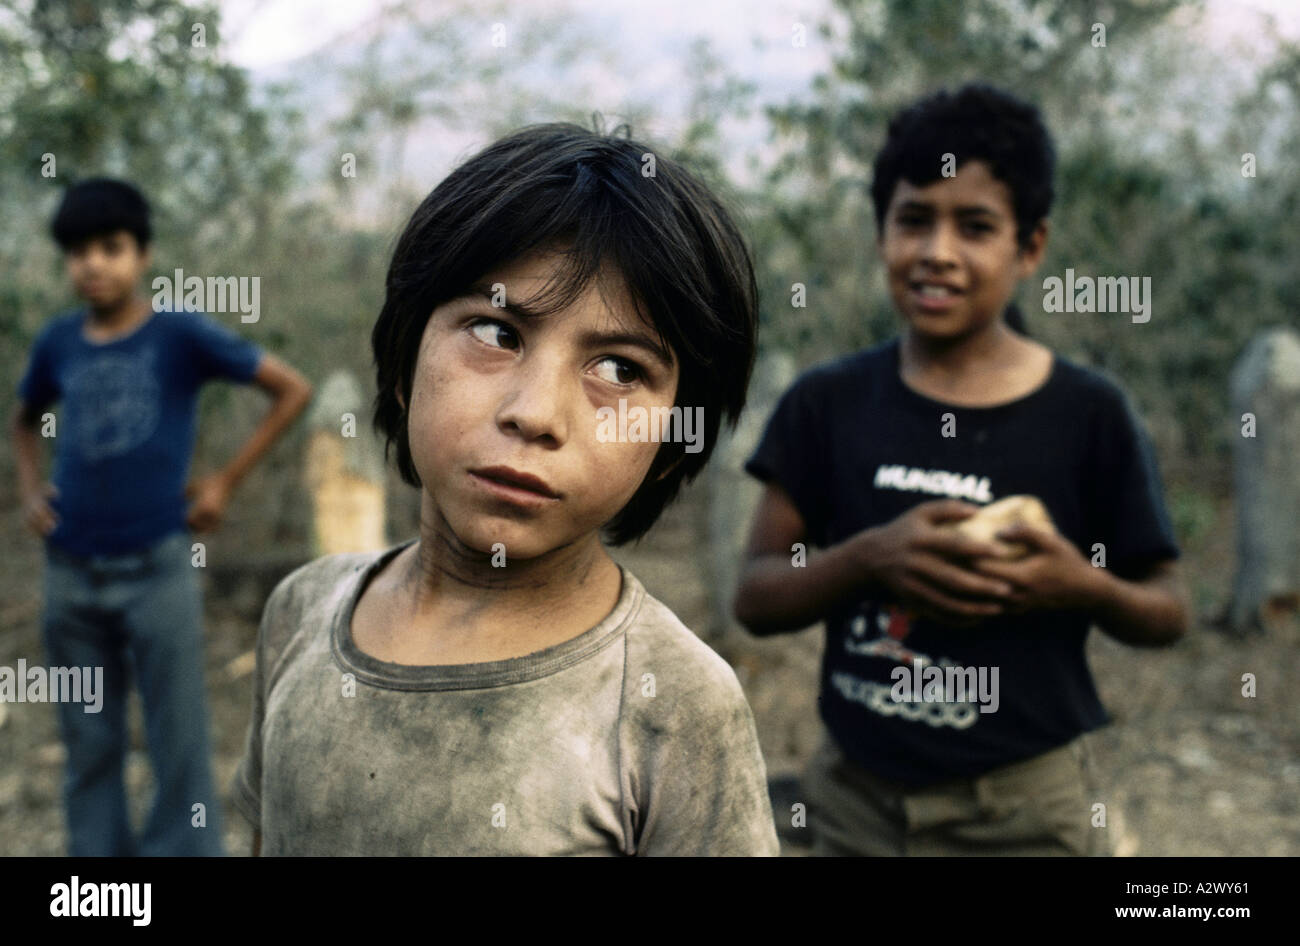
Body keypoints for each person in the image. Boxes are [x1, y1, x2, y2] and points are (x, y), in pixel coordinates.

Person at [232, 123, 780, 856]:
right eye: (495, 333)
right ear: (403, 360)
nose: (535, 413)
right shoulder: (303, 611)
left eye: (618, 370)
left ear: (672, 445)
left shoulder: (675, 703)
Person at [733, 83, 1189, 856]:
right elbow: (756, 594)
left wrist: (1080, 583)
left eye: (975, 226)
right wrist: (870, 558)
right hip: (854, 799)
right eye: (913, 219)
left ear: (1030, 247)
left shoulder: (1088, 413)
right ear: (882, 233)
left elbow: (1168, 609)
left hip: (1023, 807)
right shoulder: (827, 403)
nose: (938, 251)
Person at [10, 178, 314, 855]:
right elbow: (23, 420)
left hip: (158, 567)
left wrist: (224, 483)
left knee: (177, 734)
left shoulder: (178, 334)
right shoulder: (60, 341)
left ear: (142, 254)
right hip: (71, 571)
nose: (93, 264)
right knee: (88, 734)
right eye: (79, 251)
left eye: (111, 247)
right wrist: (32, 492)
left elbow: (290, 389)